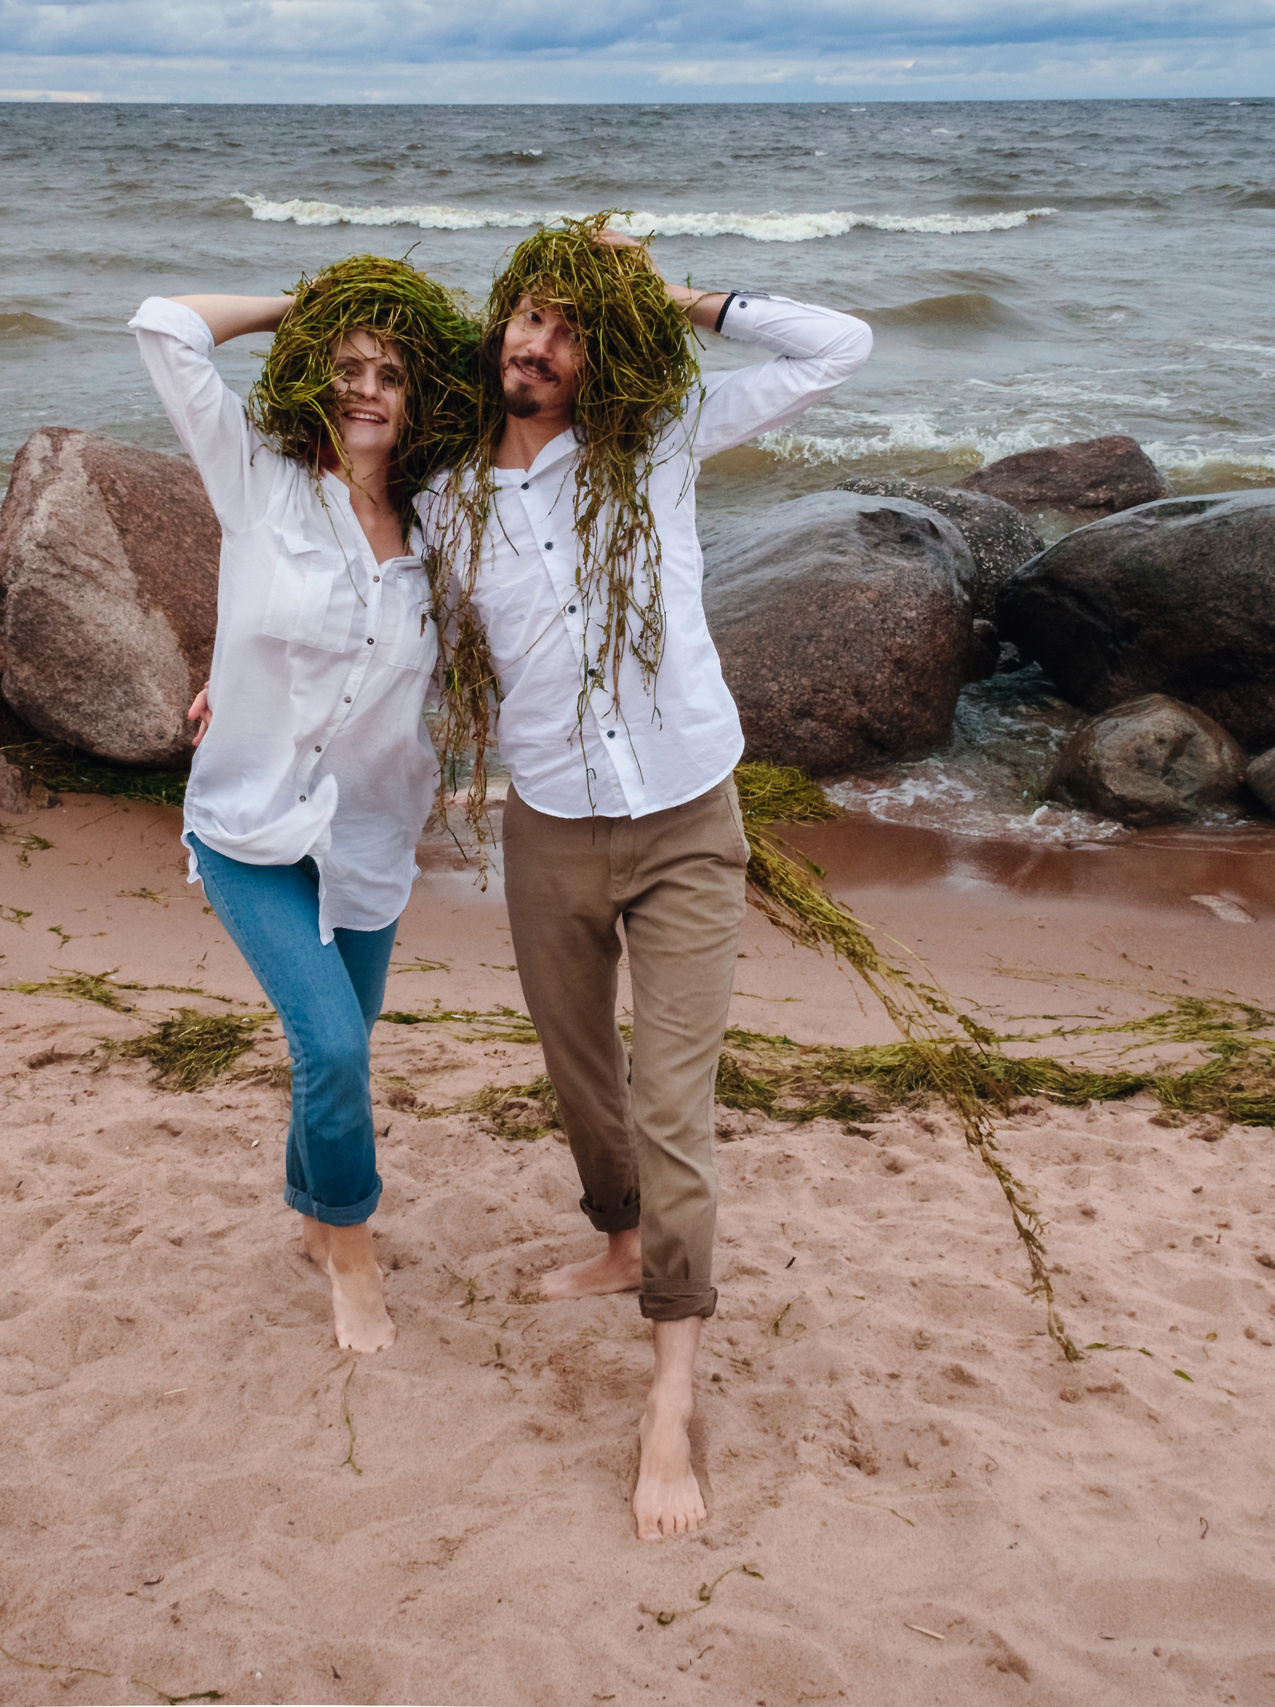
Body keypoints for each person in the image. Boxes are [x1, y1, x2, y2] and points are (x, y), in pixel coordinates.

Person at [421, 219, 871, 1537]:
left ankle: (669, 1389)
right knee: (582, 1080)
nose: (539, 344)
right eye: (528, 318)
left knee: (676, 1111)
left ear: (601, 343)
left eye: (571, 326)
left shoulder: (656, 444)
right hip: (549, 820)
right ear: (499, 324)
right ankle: (620, 1240)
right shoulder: (453, 497)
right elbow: (389, 626)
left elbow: (841, 345)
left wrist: (669, 293)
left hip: (686, 817)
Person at [130, 259, 479, 1354]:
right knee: (330, 1046)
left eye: (388, 373)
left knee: (343, 1045)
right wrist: (301, 301)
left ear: (418, 395)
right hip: (247, 818)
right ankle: (352, 1254)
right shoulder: (261, 480)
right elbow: (164, 327)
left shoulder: (443, 523)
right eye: (345, 369)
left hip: (370, 832)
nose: (366, 389)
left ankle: (306, 1214)